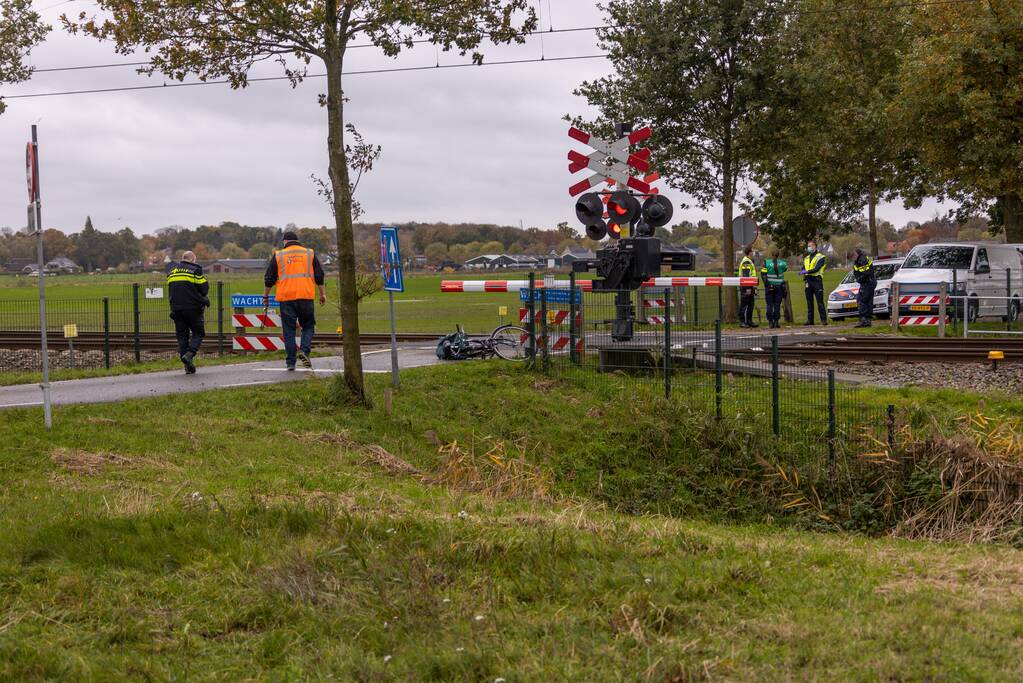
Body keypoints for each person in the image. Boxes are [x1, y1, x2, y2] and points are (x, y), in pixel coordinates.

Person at [264, 231, 326, 371]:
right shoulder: (309, 253)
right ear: (297, 241)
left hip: (286, 298)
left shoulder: (279, 255)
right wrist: (323, 294)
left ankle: (290, 363)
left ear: (285, 241)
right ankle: (304, 352)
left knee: (289, 330)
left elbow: (269, 278)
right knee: (308, 326)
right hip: (306, 296)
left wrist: (266, 296)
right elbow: (319, 275)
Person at [166, 250, 209, 374]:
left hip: (176, 309)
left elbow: (172, 291)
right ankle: (189, 355)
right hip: (193, 309)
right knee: (199, 333)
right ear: (192, 259)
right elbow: (204, 288)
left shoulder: (171, 273)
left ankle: (187, 365)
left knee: (182, 337)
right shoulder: (195, 271)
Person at [801, 240, 828, 325]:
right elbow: (803, 268)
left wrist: (806, 272)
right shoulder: (806, 258)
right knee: (809, 302)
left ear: (815, 246)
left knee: (820, 301)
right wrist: (802, 271)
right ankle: (810, 320)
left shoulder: (821, 257)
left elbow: (817, 268)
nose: (809, 247)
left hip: (817, 281)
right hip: (808, 281)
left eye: (810, 246)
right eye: (808, 246)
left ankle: (823, 320)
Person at [761, 248, 788, 329]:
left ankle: (770, 322)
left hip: (769, 287)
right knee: (777, 305)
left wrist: (767, 285)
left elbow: (763, 274)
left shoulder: (766, 262)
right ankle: (776, 322)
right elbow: (785, 269)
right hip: (779, 287)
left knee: (769, 305)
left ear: (772, 255)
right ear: (778, 255)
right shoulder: (783, 263)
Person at [852, 248, 876, 328]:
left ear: (856, 254)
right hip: (870, 282)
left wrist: (860, 279)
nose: (852, 257)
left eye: (853, 255)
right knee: (868, 301)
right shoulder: (862, 259)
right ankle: (868, 321)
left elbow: (865, 273)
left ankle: (863, 320)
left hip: (866, 283)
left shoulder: (862, 260)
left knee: (861, 300)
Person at [737, 246, 758, 328]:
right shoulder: (746, 262)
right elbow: (746, 275)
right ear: (750, 252)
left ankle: (749, 321)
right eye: (752, 252)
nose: (752, 253)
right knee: (744, 304)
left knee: (750, 304)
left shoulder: (748, 261)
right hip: (746, 286)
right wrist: (748, 287)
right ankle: (742, 322)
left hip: (749, 285)